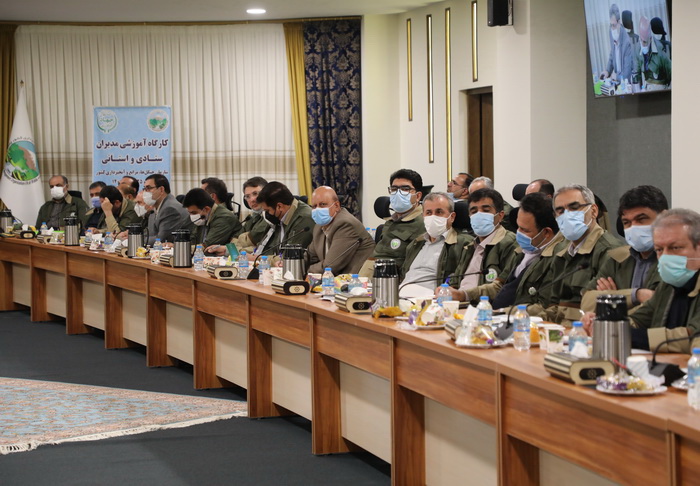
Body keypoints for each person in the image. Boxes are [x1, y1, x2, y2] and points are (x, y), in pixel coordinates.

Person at [620, 209, 700, 352]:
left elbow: (692, 336)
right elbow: (639, 319)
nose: (665, 257)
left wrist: (626, 334)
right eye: (659, 250)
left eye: (675, 247)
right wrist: (606, 324)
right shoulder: (668, 285)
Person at [545, 184, 624, 326]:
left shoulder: (610, 251)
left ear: (593, 211)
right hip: (559, 330)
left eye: (574, 208)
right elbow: (554, 304)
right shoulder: (561, 252)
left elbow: (601, 307)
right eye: (560, 211)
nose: (567, 215)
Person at [581, 185, 667, 313]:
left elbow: (659, 309)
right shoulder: (617, 259)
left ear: (664, 218)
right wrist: (636, 295)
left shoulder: (673, 260)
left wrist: (612, 299)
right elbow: (586, 302)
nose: (633, 227)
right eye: (627, 222)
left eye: (641, 219)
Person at [490, 192, 564, 316]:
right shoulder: (524, 249)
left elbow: (545, 306)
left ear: (546, 232)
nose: (518, 233)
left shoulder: (559, 258)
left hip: (519, 320)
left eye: (525, 230)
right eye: (518, 227)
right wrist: (464, 294)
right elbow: (500, 285)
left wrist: (502, 312)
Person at [441, 188, 517, 304]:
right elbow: (455, 282)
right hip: (458, 304)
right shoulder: (469, 246)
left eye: (486, 210)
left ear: (500, 215)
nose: (479, 215)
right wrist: (446, 291)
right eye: (474, 211)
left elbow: (503, 287)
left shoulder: (510, 244)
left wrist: (464, 295)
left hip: (482, 307)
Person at [399, 192, 473, 295]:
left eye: (439, 212)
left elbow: (458, 281)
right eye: (428, 213)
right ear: (423, 216)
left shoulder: (463, 244)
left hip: (431, 298)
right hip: (400, 294)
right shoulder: (415, 244)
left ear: (452, 217)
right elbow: (403, 274)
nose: (433, 216)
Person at [359, 169, 426, 277]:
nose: (398, 193)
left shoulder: (422, 223)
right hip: (367, 280)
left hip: (389, 282)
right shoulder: (390, 222)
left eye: (405, 189)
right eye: (394, 189)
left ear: (417, 196)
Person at [306, 186, 375, 275]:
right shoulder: (319, 227)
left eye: (322, 204)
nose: (317, 209)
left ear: (336, 206)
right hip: (334, 279)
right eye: (314, 206)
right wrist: (293, 266)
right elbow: (310, 256)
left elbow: (331, 265)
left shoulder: (345, 224)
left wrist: (307, 271)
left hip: (355, 279)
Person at [252, 181, 315, 255]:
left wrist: (258, 258)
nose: (266, 214)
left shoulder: (303, 219)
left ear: (279, 206)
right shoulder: (282, 217)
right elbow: (275, 250)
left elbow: (291, 256)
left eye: (267, 210)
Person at [142, 174, 192, 245]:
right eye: (144, 189)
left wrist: (137, 239)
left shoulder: (170, 208)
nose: (145, 192)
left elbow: (161, 239)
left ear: (161, 189)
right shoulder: (155, 207)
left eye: (148, 188)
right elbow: (149, 233)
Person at [632, 15, 671, 89]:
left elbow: (672, 72)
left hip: (661, 88)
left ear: (650, 38)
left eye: (645, 42)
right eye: (641, 40)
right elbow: (637, 73)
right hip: (647, 88)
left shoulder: (660, 50)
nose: (642, 44)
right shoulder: (638, 48)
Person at [600, 4, 633, 84]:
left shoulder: (627, 43)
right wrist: (607, 71)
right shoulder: (612, 33)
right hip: (617, 81)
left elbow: (627, 75)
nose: (612, 29)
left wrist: (616, 77)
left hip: (626, 84)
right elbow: (612, 55)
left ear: (619, 23)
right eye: (611, 25)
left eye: (614, 25)